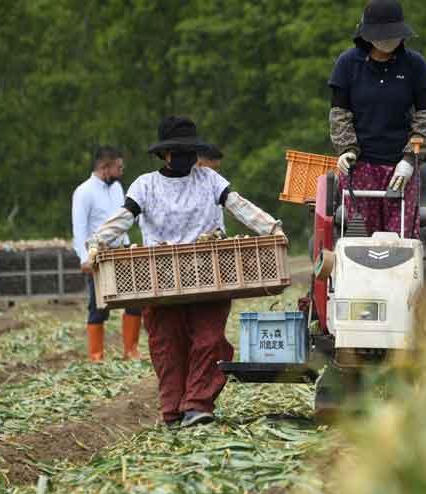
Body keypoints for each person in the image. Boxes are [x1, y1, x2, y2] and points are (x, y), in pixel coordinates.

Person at [85, 116, 285, 429]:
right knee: (166, 344)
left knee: (209, 339)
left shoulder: (208, 180)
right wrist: (96, 242)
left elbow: (238, 205)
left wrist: (272, 228)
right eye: (179, 151)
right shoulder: (146, 185)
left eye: (190, 151)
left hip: (208, 272)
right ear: (165, 155)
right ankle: (173, 410)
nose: (186, 157)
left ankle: (197, 404)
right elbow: (124, 218)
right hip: (159, 277)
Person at [328, 0, 426, 237]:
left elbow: (425, 117)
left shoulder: (415, 66)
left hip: (400, 166)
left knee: (401, 238)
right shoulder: (347, 64)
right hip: (361, 166)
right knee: (360, 239)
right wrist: (346, 149)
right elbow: (339, 114)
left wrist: (410, 159)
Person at [72, 146, 142, 362]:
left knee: (134, 301)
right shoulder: (83, 192)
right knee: (99, 307)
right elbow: (79, 228)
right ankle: (96, 355)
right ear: (105, 167)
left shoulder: (118, 188)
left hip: (121, 252)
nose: (122, 171)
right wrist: (85, 258)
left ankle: (131, 351)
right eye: (118, 167)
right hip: (99, 257)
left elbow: (124, 220)